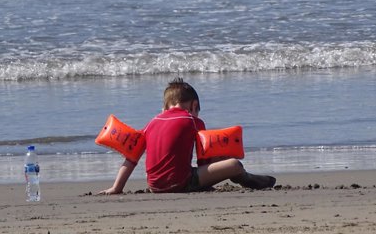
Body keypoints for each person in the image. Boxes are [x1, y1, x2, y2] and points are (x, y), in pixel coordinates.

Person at [99, 77, 276, 194]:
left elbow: (131, 158)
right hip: (180, 183)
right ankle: (250, 179)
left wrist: (117, 187)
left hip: (154, 186)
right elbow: (204, 160)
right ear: (193, 105)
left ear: (166, 106)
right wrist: (210, 180)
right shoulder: (192, 121)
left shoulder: (152, 122)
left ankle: (246, 177)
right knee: (234, 164)